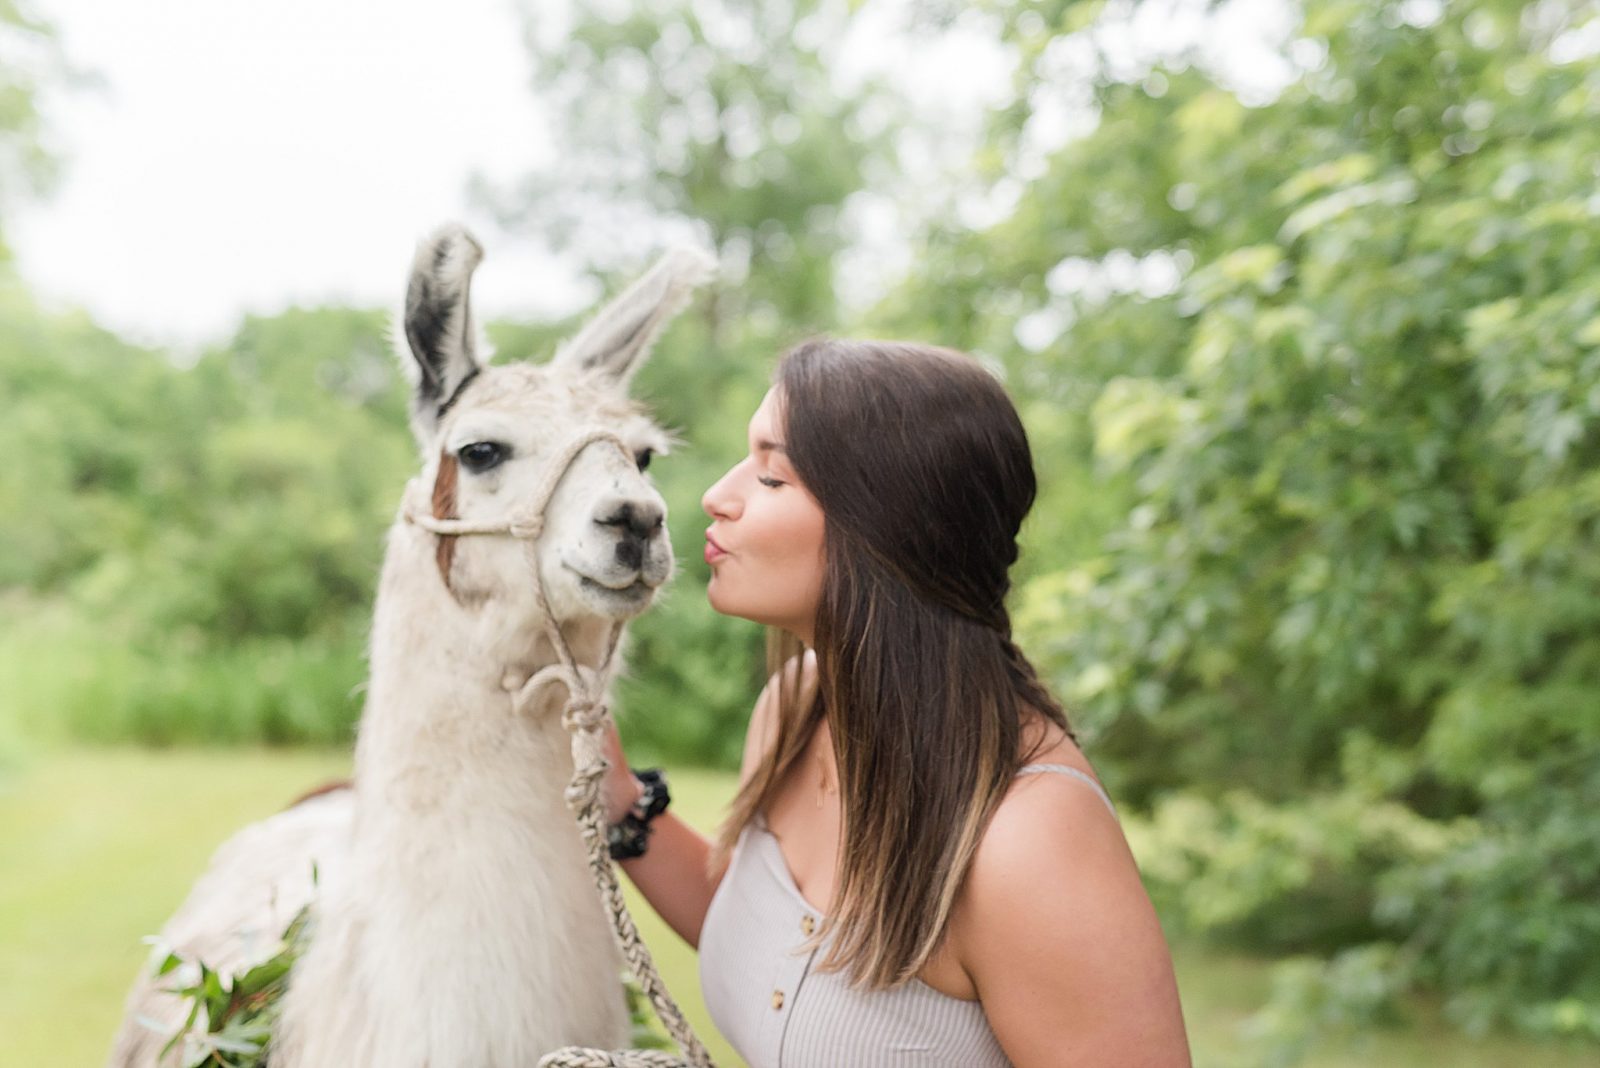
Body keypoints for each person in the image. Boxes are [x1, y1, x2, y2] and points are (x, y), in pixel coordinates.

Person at [601, 338, 1191, 1067]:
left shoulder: (1027, 840)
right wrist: (620, 801)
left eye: (772, 475)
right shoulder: (794, 710)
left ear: (887, 526)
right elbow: (764, 936)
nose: (717, 495)